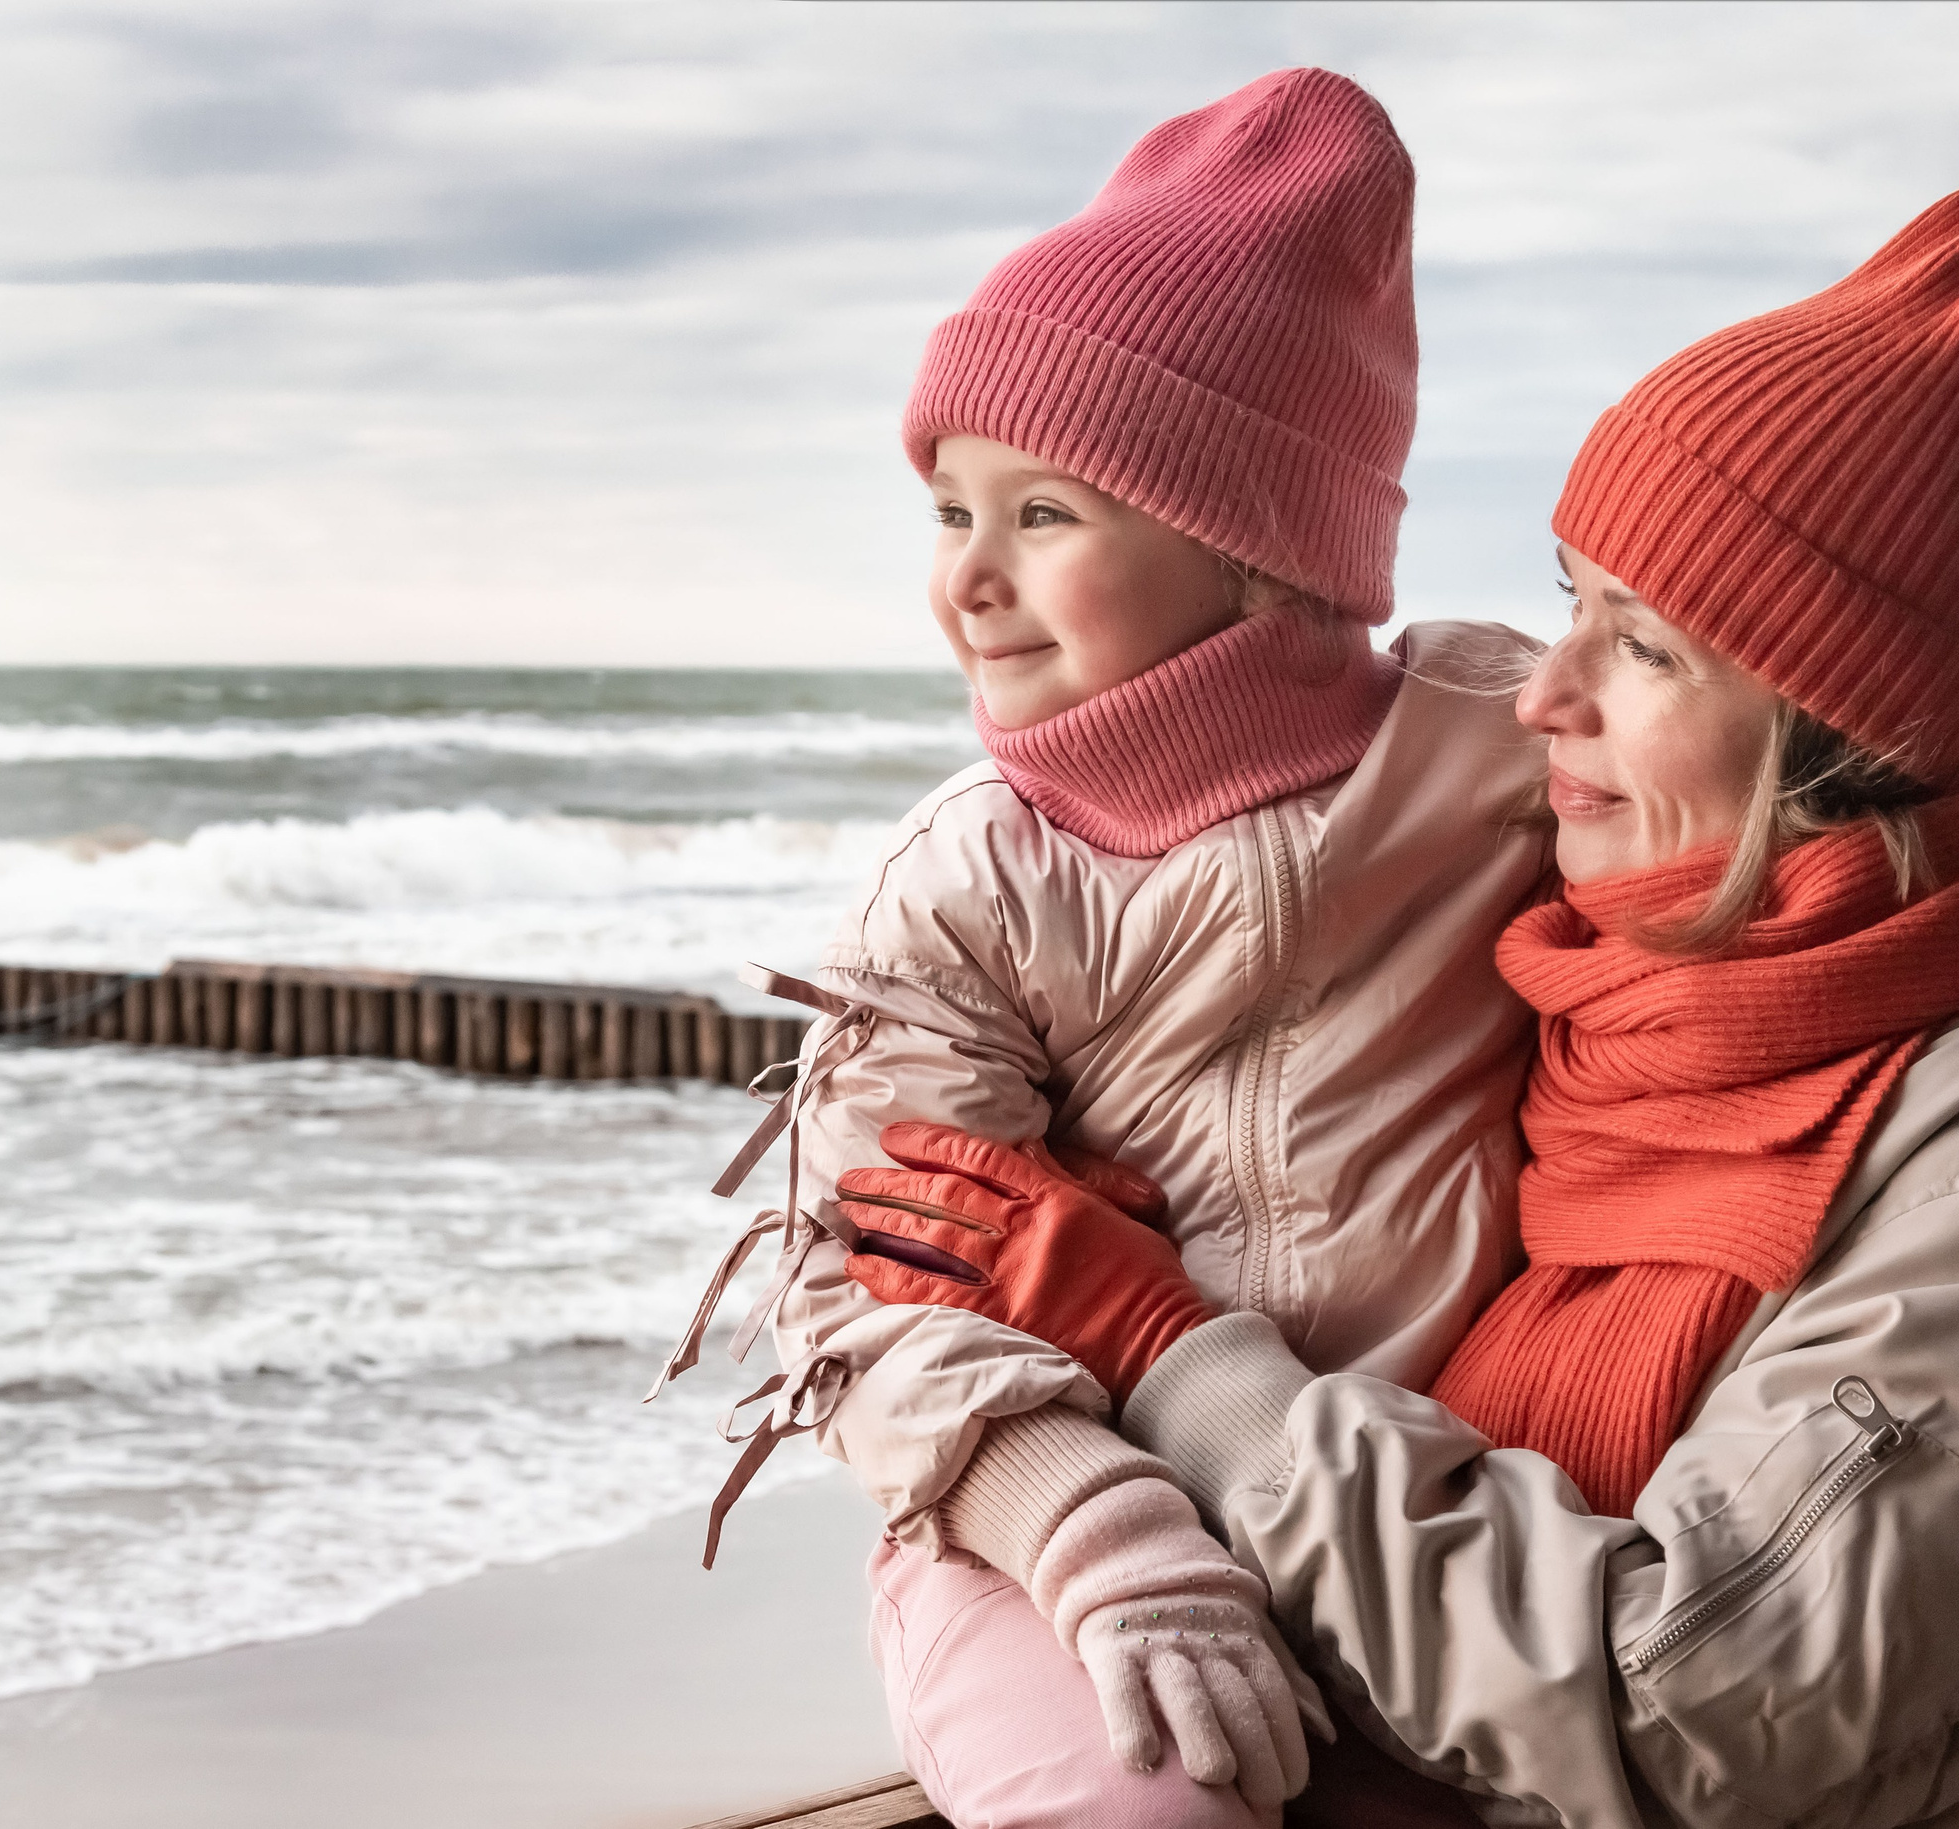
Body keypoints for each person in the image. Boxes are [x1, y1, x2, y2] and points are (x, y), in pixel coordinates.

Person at [841, 182, 1959, 1824]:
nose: (1545, 693)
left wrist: (1172, 1350)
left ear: (1833, 733)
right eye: (1571, 604)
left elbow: (1676, 1712)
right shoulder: (1624, 995)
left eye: (1647, 650)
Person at [653, 68, 1550, 1825]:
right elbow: (867, 1290)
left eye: (1043, 515)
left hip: (1416, 1499)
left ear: (1261, 546)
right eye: (948, 510)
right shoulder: (972, 883)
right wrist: (1100, 1529)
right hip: (1041, 1520)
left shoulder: (1505, 753)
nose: (964, 581)